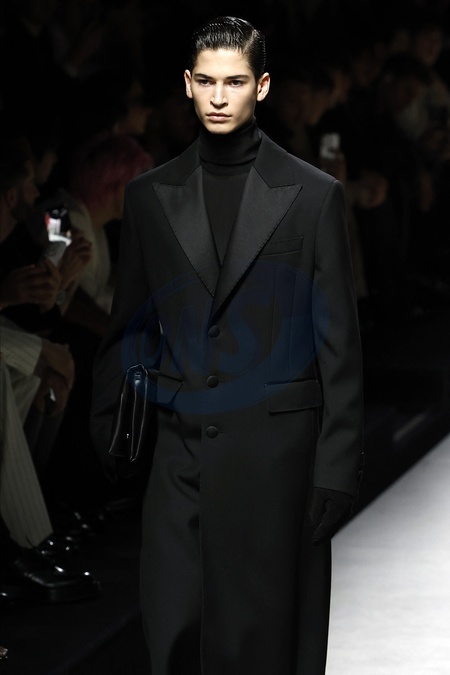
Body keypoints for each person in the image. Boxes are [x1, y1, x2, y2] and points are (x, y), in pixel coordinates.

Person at [90, 15, 364, 675]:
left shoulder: (313, 196)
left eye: (235, 82)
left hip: (280, 466)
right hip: (180, 462)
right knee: (175, 639)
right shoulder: (149, 197)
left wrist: (336, 465)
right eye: (207, 82)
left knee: (264, 647)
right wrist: (110, 430)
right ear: (187, 84)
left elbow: (339, 343)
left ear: (261, 86)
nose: (218, 97)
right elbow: (129, 325)